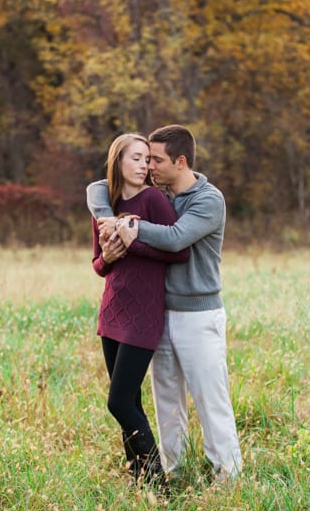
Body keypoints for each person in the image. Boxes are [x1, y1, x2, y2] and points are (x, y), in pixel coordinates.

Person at [87, 124, 243, 484]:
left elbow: (175, 240)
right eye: (144, 159)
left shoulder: (208, 200)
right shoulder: (164, 195)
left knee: (210, 397)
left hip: (198, 313)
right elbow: (99, 187)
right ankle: (174, 469)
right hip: (161, 312)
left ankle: (228, 474)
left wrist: (129, 228)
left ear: (180, 161)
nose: (149, 167)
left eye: (155, 160)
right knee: (166, 400)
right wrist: (108, 218)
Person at [89, 133, 189, 488]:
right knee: (130, 400)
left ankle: (158, 482)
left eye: (147, 159)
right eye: (136, 158)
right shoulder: (108, 205)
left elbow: (179, 252)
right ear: (118, 161)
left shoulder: (153, 200)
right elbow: (98, 265)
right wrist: (109, 257)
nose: (144, 165)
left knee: (118, 402)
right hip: (112, 312)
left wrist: (136, 246)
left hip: (143, 317)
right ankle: (139, 476)